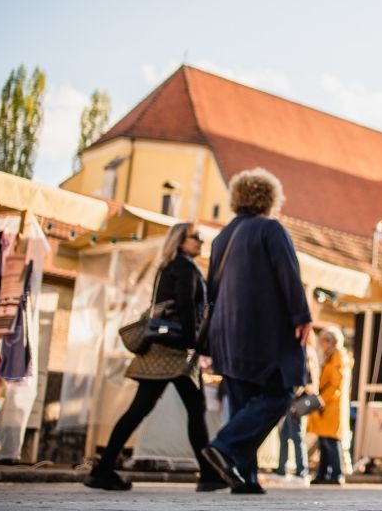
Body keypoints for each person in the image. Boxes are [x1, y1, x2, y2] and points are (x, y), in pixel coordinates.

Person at [85, 223, 227, 492]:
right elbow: (186, 308)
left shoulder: (167, 267)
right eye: (195, 237)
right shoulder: (185, 267)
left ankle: (103, 470)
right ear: (180, 241)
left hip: (158, 348)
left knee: (143, 408)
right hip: (174, 351)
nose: (200, 241)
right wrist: (192, 344)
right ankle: (208, 475)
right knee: (191, 410)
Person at [201, 168, 312, 495]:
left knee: (243, 399)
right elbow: (288, 274)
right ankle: (224, 447)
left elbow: (212, 290)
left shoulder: (222, 237)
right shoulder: (270, 229)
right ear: (269, 198)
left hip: (226, 331)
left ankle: (244, 478)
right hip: (263, 329)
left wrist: (210, 341)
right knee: (281, 392)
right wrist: (301, 315)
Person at [309, 327, 347, 485]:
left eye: (323, 341)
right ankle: (323, 473)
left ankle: (336, 473)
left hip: (331, 405)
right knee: (324, 441)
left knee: (331, 441)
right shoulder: (329, 356)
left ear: (331, 341)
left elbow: (336, 383)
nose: (321, 344)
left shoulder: (338, 356)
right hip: (326, 405)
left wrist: (322, 400)